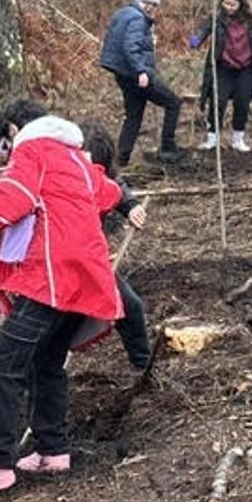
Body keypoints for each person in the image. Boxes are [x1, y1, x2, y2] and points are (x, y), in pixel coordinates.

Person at [0, 100, 123, 500]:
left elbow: (8, 205)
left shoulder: (31, 151)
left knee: (5, 367)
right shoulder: (75, 157)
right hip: (85, 278)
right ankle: (53, 450)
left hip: (50, 277)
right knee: (46, 362)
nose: (5, 155)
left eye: (3, 146)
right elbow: (109, 193)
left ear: (15, 130)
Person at [79, 122, 152, 371]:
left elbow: (117, 187)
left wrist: (131, 207)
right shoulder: (59, 179)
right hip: (59, 264)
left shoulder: (106, 179)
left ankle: (144, 367)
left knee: (130, 307)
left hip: (90, 259)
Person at [100, 0, 183, 165]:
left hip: (122, 74)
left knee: (134, 115)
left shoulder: (123, 13)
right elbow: (131, 47)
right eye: (149, 4)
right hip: (135, 75)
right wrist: (142, 71)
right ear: (142, 2)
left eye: (155, 6)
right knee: (173, 103)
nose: (152, 9)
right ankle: (167, 148)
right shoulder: (138, 19)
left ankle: (121, 158)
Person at [190, 0, 252, 152]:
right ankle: (212, 138)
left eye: (232, 5)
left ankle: (238, 139)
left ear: (241, 4)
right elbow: (204, 29)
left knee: (242, 102)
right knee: (218, 101)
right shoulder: (217, 18)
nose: (228, 8)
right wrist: (198, 38)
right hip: (224, 67)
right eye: (225, 3)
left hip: (246, 68)